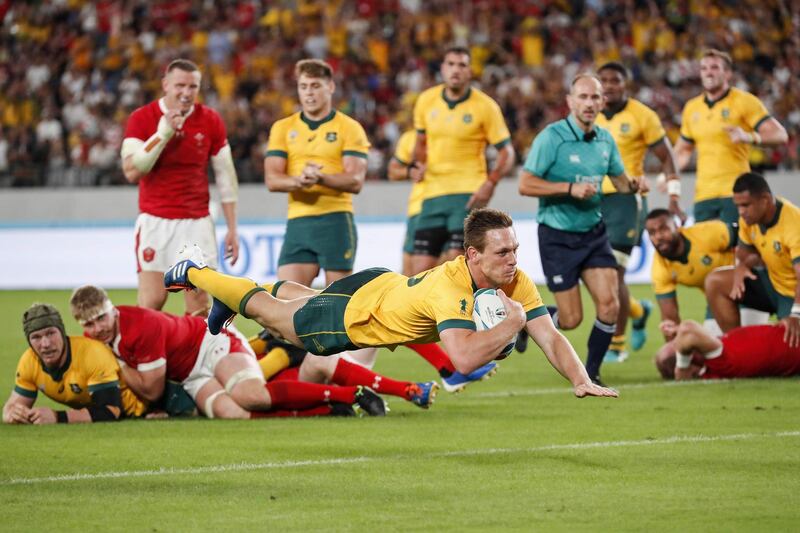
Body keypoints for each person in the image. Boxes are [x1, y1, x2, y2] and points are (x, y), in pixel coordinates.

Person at [165, 208, 619, 399]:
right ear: (473, 255)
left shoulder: (513, 279)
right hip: (357, 315)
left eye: (514, 249)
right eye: (503, 252)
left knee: (292, 297)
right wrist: (512, 323)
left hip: (379, 284)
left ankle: (229, 297)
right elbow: (460, 357)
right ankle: (195, 271)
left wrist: (580, 379)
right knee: (276, 319)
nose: (513, 260)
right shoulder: (452, 287)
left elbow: (551, 334)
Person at [70, 286, 435, 419]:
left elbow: (149, 389)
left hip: (211, 344)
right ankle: (332, 406)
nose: (97, 328)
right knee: (234, 414)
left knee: (252, 396)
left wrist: (115, 363)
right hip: (192, 373)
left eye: (101, 318)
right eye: (90, 324)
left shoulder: (139, 327)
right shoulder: (102, 336)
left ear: (112, 310)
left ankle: (353, 392)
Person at [518, 74, 642, 386]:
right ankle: (528, 322)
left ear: (602, 102)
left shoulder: (605, 140)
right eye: (583, 97)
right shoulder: (552, 137)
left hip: (593, 232)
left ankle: (592, 373)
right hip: (557, 236)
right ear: (570, 101)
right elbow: (525, 184)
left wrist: (634, 185)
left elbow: (621, 180)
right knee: (571, 319)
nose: (589, 103)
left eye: (595, 98)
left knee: (610, 305)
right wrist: (568, 188)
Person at [120, 58, 240, 316]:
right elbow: (132, 171)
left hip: (197, 224)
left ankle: (201, 357)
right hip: (156, 223)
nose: (186, 93)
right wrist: (163, 134)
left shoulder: (210, 120)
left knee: (199, 308)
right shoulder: (142, 118)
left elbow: (226, 177)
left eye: (193, 86)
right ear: (165, 85)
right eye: (180, 85)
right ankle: (148, 358)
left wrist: (232, 228)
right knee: (151, 304)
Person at [387, 128, 498, 392]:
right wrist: (409, 172)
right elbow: (393, 170)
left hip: (452, 209)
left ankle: (458, 357)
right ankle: (452, 364)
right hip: (421, 212)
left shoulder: (457, 132)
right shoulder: (411, 138)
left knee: (456, 276)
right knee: (409, 294)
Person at [595, 62, 683, 361]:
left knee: (613, 271)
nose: (608, 85)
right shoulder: (587, 114)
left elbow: (666, 156)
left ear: (626, 84)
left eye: (615, 80)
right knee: (595, 273)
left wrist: (674, 195)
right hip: (592, 201)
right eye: (603, 80)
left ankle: (616, 343)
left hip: (626, 200)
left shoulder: (642, 115)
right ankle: (637, 309)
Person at [264, 58, 369, 287]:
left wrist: (321, 178)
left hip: (336, 220)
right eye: (303, 87)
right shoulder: (283, 128)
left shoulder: (349, 128)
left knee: (338, 305)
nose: (309, 93)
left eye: (315, 86)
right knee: (285, 300)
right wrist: (299, 181)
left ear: (330, 87)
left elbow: (355, 180)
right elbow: (272, 179)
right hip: (299, 222)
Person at [410, 47, 515, 275]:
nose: (456, 70)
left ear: (470, 71)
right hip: (432, 194)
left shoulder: (485, 106)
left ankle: (461, 310)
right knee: (418, 272)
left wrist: (491, 182)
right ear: (442, 68)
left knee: (457, 264)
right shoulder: (426, 101)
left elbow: (507, 152)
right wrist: (418, 166)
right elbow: (420, 143)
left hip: (468, 194)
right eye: (451, 64)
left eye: (462, 65)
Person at [673, 49, 787, 223]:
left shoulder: (744, 101)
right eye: (704, 68)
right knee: (707, 249)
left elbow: (780, 135)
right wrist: (669, 175)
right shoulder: (692, 108)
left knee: (737, 249)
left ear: (727, 73)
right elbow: (683, 151)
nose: (708, 72)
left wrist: (749, 137)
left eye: (714, 67)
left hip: (736, 194)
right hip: (703, 195)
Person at [3, 303, 148, 424]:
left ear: (62, 332)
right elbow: (13, 406)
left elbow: (111, 411)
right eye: (36, 337)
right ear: (29, 341)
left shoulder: (93, 353)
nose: (45, 344)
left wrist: (57, 417)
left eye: (50, 333)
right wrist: (12, 413)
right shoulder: (29, 361)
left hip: (144, 405)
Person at [704, 173, 800, 341]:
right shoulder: (749, 219)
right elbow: (745, 251)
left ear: (765, 199)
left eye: (745, 205)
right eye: (738, 206)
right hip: (772, 283)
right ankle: (736, 347)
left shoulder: (794, 223)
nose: (741, 212)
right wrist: (742, 266)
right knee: (715, 282)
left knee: (789, 345)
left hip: (794, 296)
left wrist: (796, 314)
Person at [644, 208, 735, 341]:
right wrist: (675, 352)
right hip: (719, 301)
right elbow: (670, 320)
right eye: (652, 233)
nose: (658, 237)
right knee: (713, 352)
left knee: (744, 347)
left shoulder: (706, 233)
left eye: (663, 229)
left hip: (750, 286)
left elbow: (748, 238)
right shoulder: (660, 269)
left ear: (676, 227)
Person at [654, 320, 800, 380]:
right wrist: (682, 368)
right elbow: (688, 329)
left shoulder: (719, 353)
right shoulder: (721, 364)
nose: (677, 339)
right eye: (677, 345)